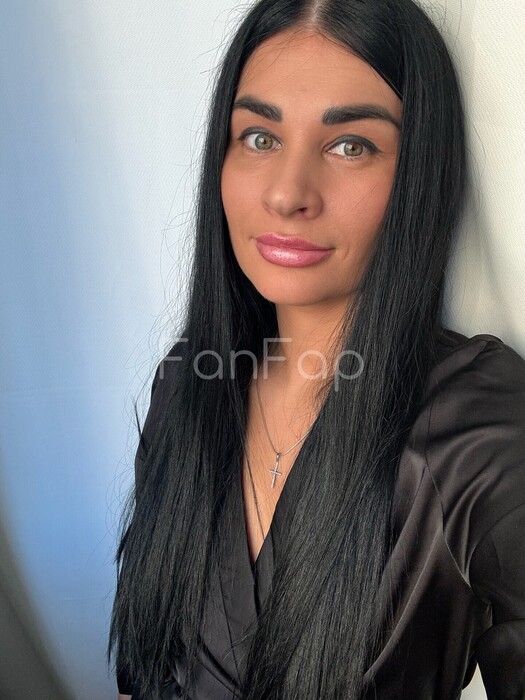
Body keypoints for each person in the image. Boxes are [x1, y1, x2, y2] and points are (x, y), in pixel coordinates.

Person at [108, 0, 525, 698]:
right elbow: (142, 671)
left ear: (420, 171)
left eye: (350, 145)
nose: (287, 194)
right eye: (259, 137)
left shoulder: (475, 426)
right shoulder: (186, 382)